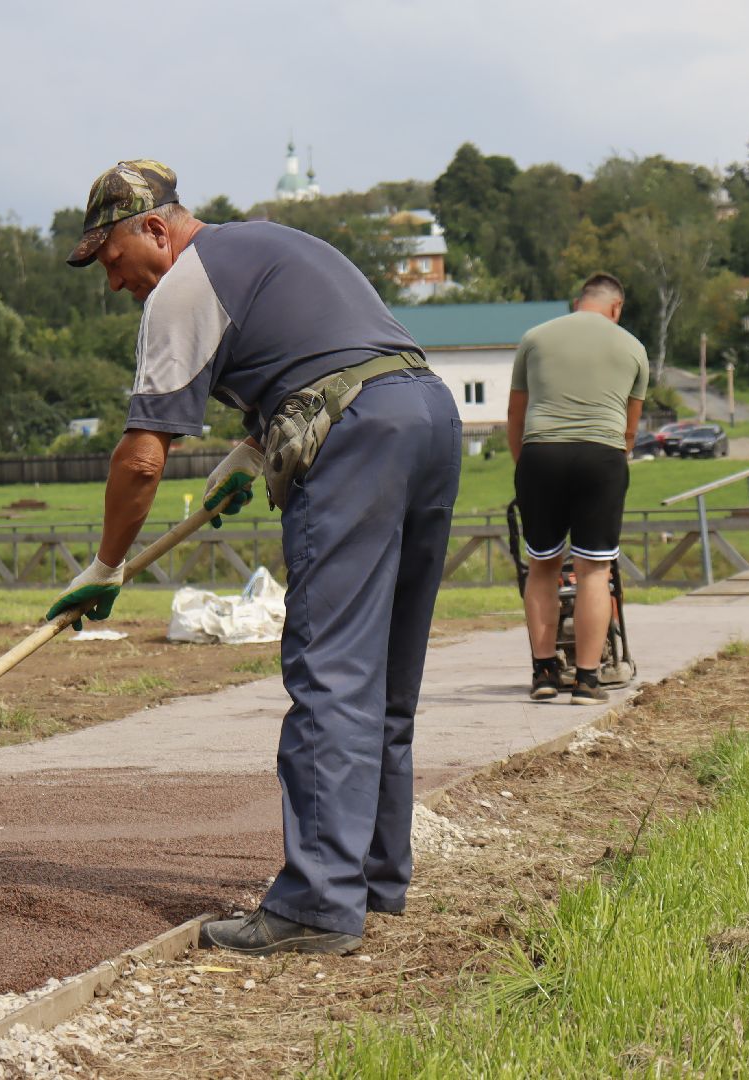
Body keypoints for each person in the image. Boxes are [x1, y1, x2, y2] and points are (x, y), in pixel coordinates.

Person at [46, 160, 460, 957]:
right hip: (426, 416)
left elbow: (142, 459)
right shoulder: (268, 244)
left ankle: (317, 905)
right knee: (384, 677)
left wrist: (106, 566)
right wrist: (255, 446)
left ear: (155, 229)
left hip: (356, 437)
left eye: (112, 260)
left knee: (330, 671)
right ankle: (373, 877)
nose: (114, 282)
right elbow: (320, 349)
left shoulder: (180, 288)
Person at [507, 273, 648, 706]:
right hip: (601, 457)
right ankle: (587, 680)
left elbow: (516, 416)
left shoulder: (534, 338)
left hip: (541, 455)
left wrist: (526, 468)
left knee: (542, 567)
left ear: (577, 302)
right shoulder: (633, 347)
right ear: (616, 307)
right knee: (594, 571)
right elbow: (628, 432)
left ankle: (544, 673)